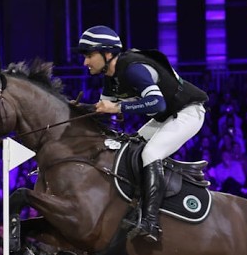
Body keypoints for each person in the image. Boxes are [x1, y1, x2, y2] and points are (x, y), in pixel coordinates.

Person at [77, 24, 209, 242]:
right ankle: (135, 203)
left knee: (150, 154)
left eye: (89, 55)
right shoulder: (110, 76)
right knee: (128, 149)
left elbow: (156, 103)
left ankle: (150, 222)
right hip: (165, 117)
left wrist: (119, 108)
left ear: (107, 53)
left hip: (187, 114)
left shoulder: (133, 69)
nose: (85, 62)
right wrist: (75, 109)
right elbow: (102, 108)